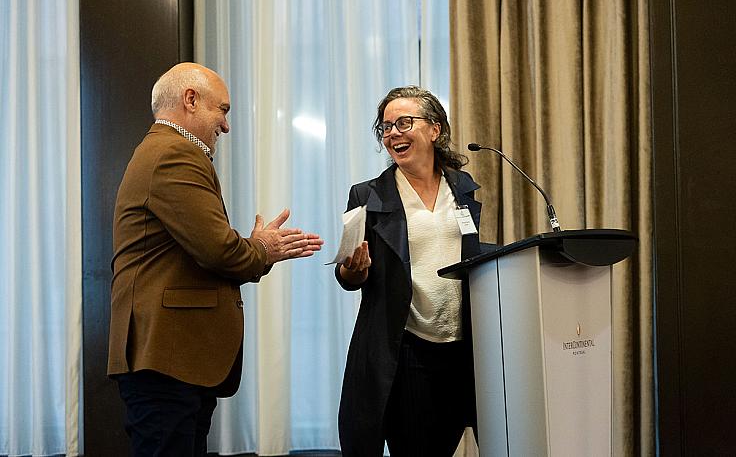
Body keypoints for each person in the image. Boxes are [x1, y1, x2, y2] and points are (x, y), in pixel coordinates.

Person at [108, 62, 323, 456]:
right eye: (222, 109)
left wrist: (255, 246)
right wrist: (263, 248)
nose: (226, 125)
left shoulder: (163, 150)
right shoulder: (174, 153)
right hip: (166, 358)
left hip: (172, 357)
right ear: (190, 99)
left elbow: (204, 246)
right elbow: (218, 251)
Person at [335, 86, 481, 456]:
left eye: (404, 123)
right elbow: (349, 274)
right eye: (385, 127)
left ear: (434, 130)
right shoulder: (368, 196)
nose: (393, 134)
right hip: (407, 350)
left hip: (461, 349)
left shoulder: (462, 188)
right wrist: (353, 271)